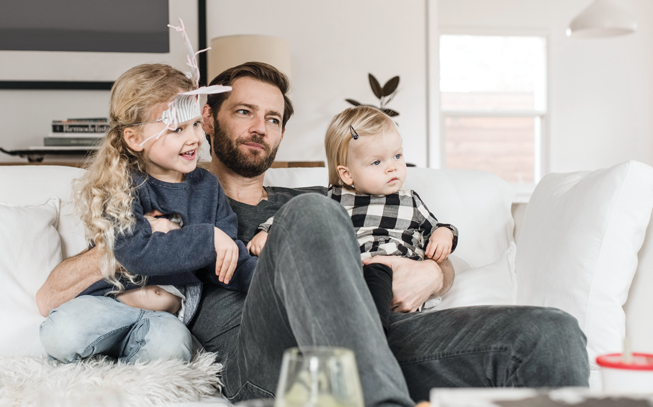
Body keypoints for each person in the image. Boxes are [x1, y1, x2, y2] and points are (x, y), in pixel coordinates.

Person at [37, 62, 589, 406]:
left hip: (377, 338)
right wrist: (132, 244)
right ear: (207, 121)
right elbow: (55, 293)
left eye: (273, 118)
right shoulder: (178, 203)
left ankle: (374, 384)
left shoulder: (319, 199)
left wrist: (435, 271)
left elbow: (414, 242)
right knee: (312, 214)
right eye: (244, 111)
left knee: (549, 332)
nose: (260, 126)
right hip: (268, 361)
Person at [39, 63, 257, 365]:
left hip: (167, 316)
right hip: (109, 305)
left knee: (171, 350)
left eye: (195, 124)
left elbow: (228, 258)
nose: (193, 138)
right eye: (177, 129)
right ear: (134, 138)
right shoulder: (120, 184)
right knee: (63, 332)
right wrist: (208, 238)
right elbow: (134, 252)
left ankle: (122, 372)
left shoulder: (208, 187)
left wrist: (269, 278)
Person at [247, 105, 459, 333]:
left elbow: (438, 227)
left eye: (397, 156)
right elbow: (295, 215)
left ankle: (372, 331)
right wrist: (268, 231)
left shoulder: (410, 200)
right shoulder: (333, 198)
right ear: (347, 174)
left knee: (377, 273)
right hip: (349, 271)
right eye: (377, 162)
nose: (392, 167)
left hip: (391, 272)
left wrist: (444, 234)